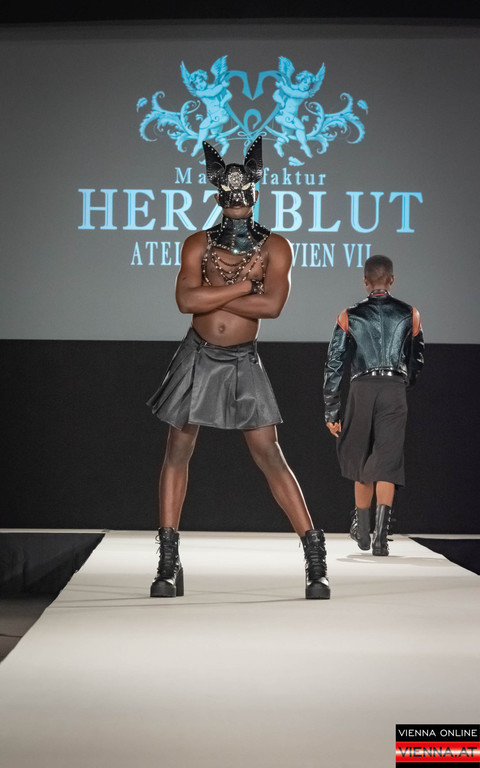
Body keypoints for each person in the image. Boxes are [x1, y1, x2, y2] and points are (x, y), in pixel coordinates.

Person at [147, 137, 329, 599]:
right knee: (178, 450)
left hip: (242, 358)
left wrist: (219, 294)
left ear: (255, 192)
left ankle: (315, 559)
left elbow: (272, 307)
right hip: (197, 354)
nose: (236, 200)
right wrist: (244, 286)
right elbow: (186, 301)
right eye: (229, 194)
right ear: (217, 196)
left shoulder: (276, 246)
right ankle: (168, 562)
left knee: (269, 453)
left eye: (242, 192)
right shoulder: (197, 243)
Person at [323, 255, 424, 555]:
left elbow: (334, 364)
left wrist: (331, 409)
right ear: (391, 280)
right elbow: (417, 359)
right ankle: (380, 538)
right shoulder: (410, 313)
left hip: (362, 389)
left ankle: (364, 534)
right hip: (393, 388)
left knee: (360, 459)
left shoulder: (349, 315)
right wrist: (403, 384)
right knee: (387, 461)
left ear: (365, 281)